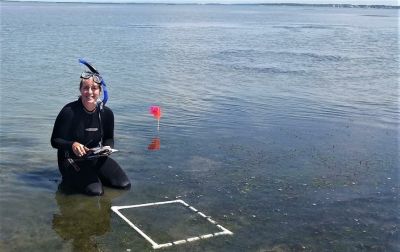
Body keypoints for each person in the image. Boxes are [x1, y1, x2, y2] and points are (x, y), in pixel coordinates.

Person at [51, 62, 130, 196]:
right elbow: (54, 141)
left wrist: (107, 149)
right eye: (86, 88)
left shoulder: (106, 113)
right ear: (80, 90)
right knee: (96, 192)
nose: (90, 92)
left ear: (100, 91)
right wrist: (72, 145)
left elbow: (109, 138)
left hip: (94, 157)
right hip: (70, 159)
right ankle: (71, 182)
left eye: (94, 88)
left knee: (123, 185)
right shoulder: (69, 111)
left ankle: (91, 177)